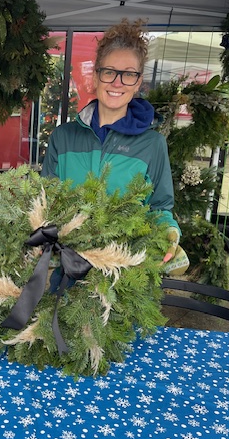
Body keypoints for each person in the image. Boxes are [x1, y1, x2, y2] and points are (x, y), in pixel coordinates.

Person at [41, 18, 188, 275]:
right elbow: (46, 202)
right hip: (69, 271)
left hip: (126, 274)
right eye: (109, 72)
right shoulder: (63, 138)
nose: (117, 82)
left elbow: (159, 207)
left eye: (128, 74)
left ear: (138, 82)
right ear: (96, 76)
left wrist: (169, 230)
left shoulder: (152, 144)